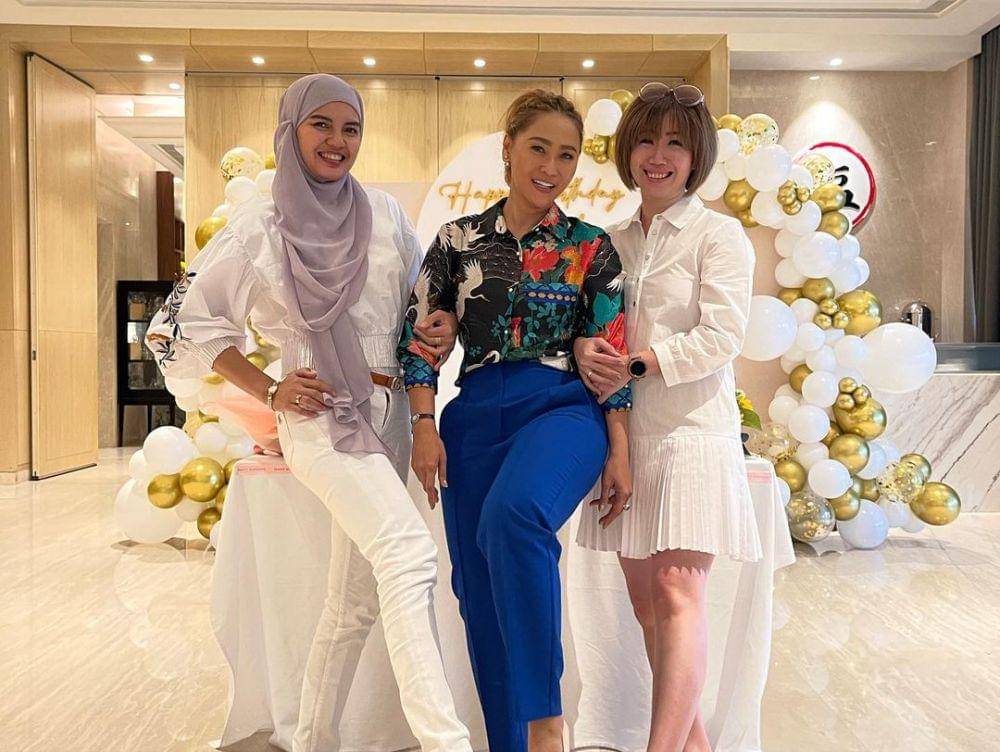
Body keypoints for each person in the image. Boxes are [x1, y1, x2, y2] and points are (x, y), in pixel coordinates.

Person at [146, 74, 472, 752]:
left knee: (352, 603)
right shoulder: (261, 226)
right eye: (320, 124)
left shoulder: (384, 214)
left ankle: (313, 739)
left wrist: (436, 326)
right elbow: (185, 324)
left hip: (388, 412)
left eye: (350, 128)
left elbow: (421, 305)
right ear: (290, 131)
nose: (337, 141)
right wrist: (268, 389)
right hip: (321, 416)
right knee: (408, 553)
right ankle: (447, 743)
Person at [397, 89, 633, 752]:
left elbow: (611, 356)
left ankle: (546, 725)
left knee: (514, 516)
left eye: (567, 155)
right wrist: (423, 424)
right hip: (473, 415)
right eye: (538, 148)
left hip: (562, 409)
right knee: (478, 589)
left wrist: (618, 447)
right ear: (508, 149)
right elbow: (420, 338)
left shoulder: (591, 248)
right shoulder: (457, 242)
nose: (551, 167)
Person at [574, 82, 763, 752]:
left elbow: (723, 336)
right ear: (629, 151)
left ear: (695, 157)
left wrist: (638, 362)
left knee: (679, 594)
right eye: (648, 140)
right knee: (647, 605)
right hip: (626, 440)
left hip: (692, 435)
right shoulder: (608, 240)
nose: (659, 156)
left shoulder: (720, 235)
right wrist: (588, 352)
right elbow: (591, 328)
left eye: (676, 143)